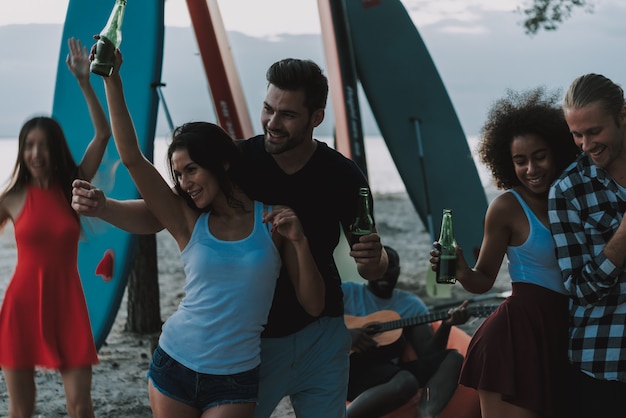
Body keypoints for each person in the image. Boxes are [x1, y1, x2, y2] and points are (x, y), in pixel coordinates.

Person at [72, 57, 389, 417]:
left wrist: (375, 260)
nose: (272, 122)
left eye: (286, 114)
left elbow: (370, 265)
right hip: (255, 345)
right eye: (268, 109)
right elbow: (164, 210)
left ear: (316, 118)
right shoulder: (235, 160)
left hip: (320, 336)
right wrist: (105, 206)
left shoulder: (342, 177)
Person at [431, 87, 580, 418]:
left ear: (556, 151)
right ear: (506, 161)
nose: (531, 168)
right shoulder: (506, 207)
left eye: (539, 156)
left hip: (563, 332)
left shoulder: (573, 198)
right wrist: (458, 268)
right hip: (515, 336)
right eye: (520, 160)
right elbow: (482, 280)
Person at [0, 37, 111, 418]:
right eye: (28, 145)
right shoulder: (11, 198)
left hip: (67, 303)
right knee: (21, 410)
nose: (35, 153)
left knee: (81, 408)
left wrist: (84, 82)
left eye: (43, 145)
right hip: (21, 305)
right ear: (21, 150)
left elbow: (103, 135)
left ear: (54, 149)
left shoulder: (74, 186)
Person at [548, 74, 626, 417]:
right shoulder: (567, 191)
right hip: (604, 363)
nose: (585, 144)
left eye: (594, 132)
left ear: (623, 116)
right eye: (576, 135)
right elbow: (579, 288)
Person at [343, 245, 469, 418]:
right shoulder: (348, 293)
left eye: (391, 266)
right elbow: (316, 324)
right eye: (380, 266)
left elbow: (427, 353)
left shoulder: (410, 305)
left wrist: (446, 325)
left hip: (388, 370)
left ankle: (427, 414)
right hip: (349, 368)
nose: (385, 272)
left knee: (454, 358)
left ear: (399, 270)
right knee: (406, 381)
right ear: (369, 269)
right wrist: (345, 336)